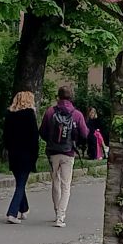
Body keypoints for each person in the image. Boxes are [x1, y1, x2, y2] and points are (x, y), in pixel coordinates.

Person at [42, 86, 89, 227]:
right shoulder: (77, 114)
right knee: (66, 185)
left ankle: (56, 211)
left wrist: (51, 141)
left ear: (58, 96)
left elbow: (42, 131)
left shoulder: (50, 112)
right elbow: (84, 133)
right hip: (68, 152)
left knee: (55, 182)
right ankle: (60, 216)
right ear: (71, 97)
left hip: (53, 152)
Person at [3, 90, 41, 223]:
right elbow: (34, 137)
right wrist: (35, 155)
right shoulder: (30, 115)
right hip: (26, 154)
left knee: (20, 182)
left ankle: (24, 208)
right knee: (20, 184)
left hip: (14, 154)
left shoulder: (10, 115)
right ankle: (12, 213)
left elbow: (5, 137)